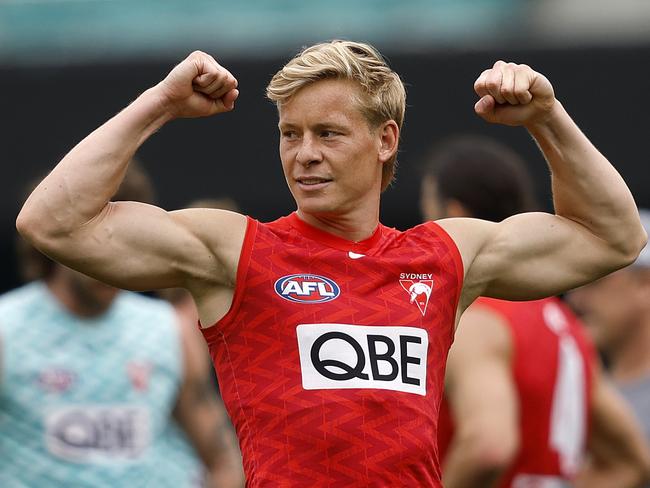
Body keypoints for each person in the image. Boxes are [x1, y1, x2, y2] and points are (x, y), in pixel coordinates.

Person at [15, 40, 647, 486]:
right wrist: (158, 104)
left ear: (386, 139)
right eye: (291, 134)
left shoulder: (444, 255)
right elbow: (52, 221)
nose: (304, 155)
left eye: (329, 133)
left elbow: (613, 237)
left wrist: (547, 118)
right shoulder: (235, 250)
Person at [422, 135, 650, 487]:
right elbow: (629, 462)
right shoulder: (567, 326)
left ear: (452, 214)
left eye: (427, 214)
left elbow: (489, 445)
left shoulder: (478, 319)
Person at [0, 165, 244, 487]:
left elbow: (222, 459)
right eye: (96, 242)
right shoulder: (7, 328)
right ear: (57, 240)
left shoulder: (169, 331)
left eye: (122, 245)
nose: (109, 261)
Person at [568, 211, 650, 443]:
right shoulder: (580, 392)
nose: (576, 300)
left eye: (593, 282)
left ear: (645, 284)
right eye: (573, 284)